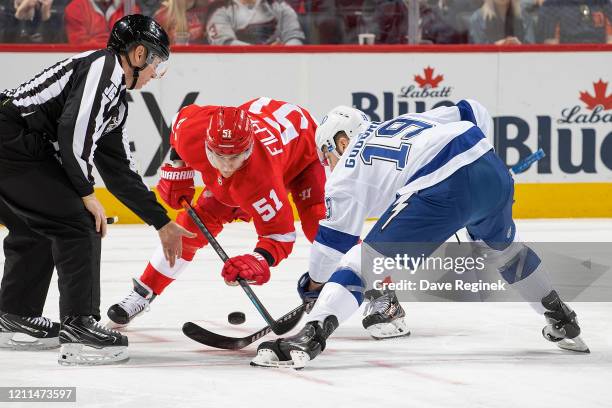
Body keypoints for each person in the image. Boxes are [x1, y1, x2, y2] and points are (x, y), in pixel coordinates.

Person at [251, 100, 589, 368]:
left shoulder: (345, 173)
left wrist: (314, 285)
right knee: (505, 252)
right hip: (488, 165)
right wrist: (478, 172)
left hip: (441, 185)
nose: (327, 165)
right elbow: (472, 110)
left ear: (341, 140)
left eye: (326, 153)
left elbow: (332, 247)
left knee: (360, 262)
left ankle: (310, 336)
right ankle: (561, 318)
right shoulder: (404, 122)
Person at [0, 14, 194, 366]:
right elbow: (72, 132)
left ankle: (14, 315)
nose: (154, 74)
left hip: (13, 145)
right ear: (138, 54)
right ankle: (80, 328)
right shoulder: (103, 69)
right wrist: (87, 194)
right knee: (78, 221)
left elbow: (119, 172)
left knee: (38, 222)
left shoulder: (115, 102)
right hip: (10, 141)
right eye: (156, 63)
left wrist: (161, 222)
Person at [106, 97, 326, 327]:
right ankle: (143, 293)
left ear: (249, 148)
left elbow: (280, 235)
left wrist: (258, 260)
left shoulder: (262, 179)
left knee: (320, 226)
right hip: (258, 149)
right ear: (207, 144)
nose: (227, 166)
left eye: (235, 157)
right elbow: (179, 122)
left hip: (305, 153)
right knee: (186, 230)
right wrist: (179, 166)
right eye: (219, 156)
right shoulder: (192, 131)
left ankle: (359, 282)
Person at [206, 0, 305, 45]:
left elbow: (294, 37)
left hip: (278, 66)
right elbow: (224, 44)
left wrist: (282, 53)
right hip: (236, 68)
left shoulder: (279, 6)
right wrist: (264, 53)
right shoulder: (220, 9)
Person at [64, 0, 141, 46]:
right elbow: (80, 44)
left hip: (121, 62)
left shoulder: (129, 7)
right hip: (88, 63)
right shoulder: (76, 7)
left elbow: (136, 41)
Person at [537, 0, 612, 44]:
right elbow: (546, 44)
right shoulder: (551, 5)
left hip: (600, 57)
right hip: (565, 59)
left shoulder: (604, 3)